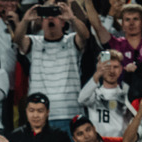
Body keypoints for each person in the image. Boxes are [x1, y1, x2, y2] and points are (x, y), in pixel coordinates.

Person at [12, 0, 90, 132]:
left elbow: (85, 36)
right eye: (46, 17)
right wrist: (25, 20)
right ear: (42, 23)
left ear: (63, 22)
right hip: (40, 116)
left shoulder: (71, 40)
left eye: (54, 16)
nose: (50, 19)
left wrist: (72, 18)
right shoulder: (34, 42)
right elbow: (17, 40)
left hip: (70, 114)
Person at [77, 50, 133, 139]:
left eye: (115, 67)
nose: (111, 71)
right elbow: (81, 99)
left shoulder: (126, 94)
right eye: (108, 67)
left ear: (121, 69)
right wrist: (97, 74)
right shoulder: (94, 94)